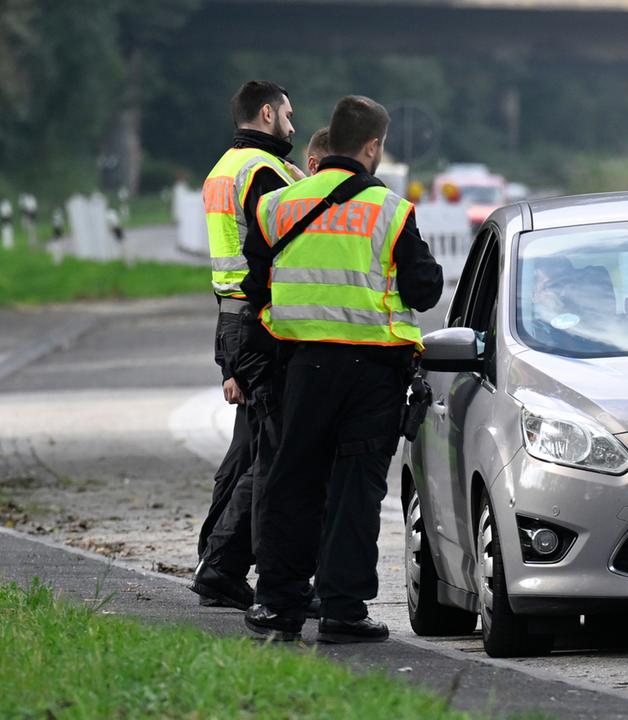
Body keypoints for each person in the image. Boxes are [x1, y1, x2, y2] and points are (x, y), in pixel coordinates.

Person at [243, 95, 443, 643]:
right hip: (373, 374)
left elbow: (254, 285)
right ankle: (342, 611)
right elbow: (424, 290)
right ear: (373, 146)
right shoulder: (390, 211)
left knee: (293, 481)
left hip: (300, 366)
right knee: (356, 490)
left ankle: (278, 605)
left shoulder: (277, 206)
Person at [193, 80, 303, 610]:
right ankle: (221, 564)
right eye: (288, 115)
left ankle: (214, 562)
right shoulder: (262, 172)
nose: (293, 125)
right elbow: (280, 245)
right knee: (272, 452)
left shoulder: (222, 168)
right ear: (266, 113)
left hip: (231, 316)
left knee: (247, 450)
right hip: (260, 318)